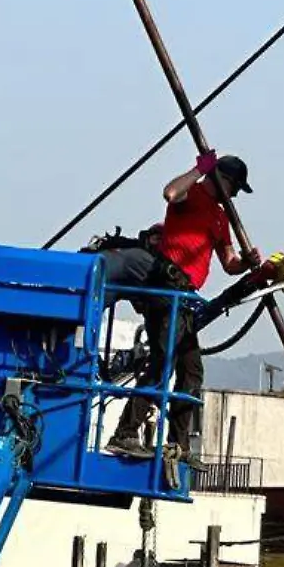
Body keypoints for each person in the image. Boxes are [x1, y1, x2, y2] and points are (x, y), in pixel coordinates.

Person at [97, 152, 258, 459]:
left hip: (183, 297)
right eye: (235, 186)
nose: (236, 194)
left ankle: (177, 442)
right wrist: (200, 169)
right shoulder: (191, 194)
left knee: (191, 370)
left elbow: (229, 262)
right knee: (163, 360)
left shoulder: (220, 218)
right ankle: (125, 433)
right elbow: (170, 192)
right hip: (166, 286)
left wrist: (247, 264)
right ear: (223, 180)